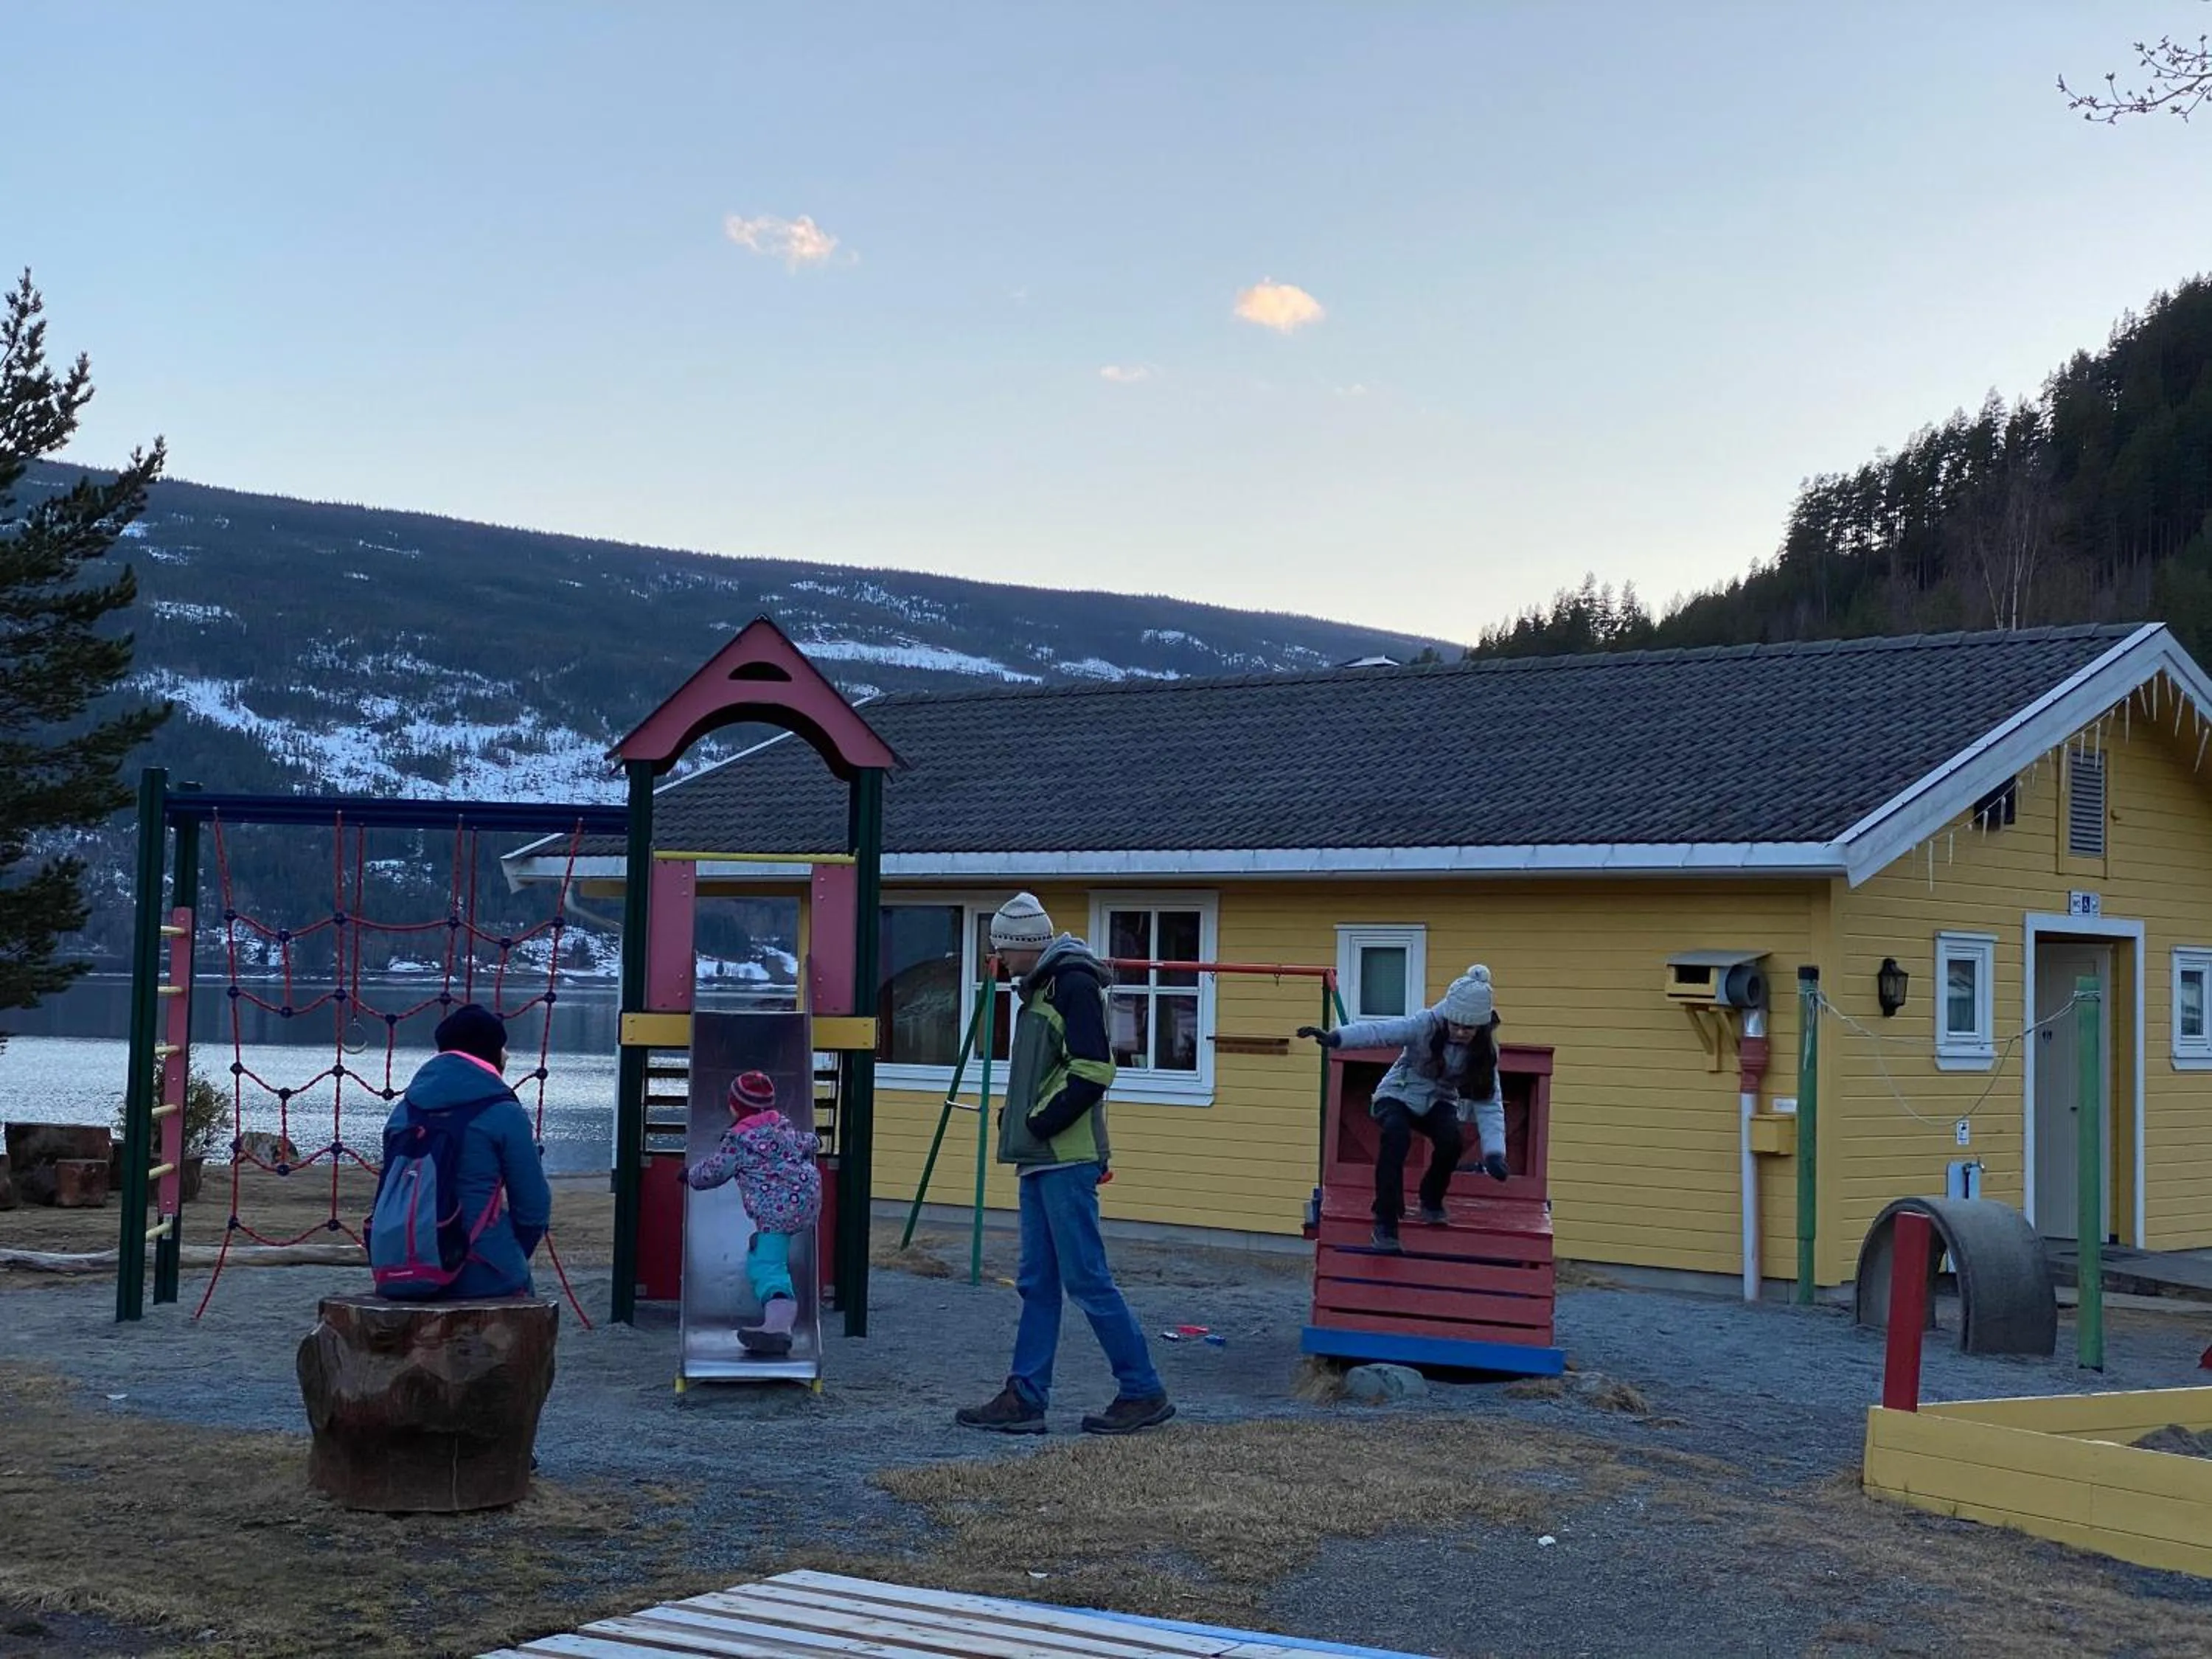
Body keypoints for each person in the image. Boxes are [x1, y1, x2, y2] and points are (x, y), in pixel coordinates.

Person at [956, 892, 1174, 1437]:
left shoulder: (1070, 985)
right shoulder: (1043, 988)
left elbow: (1094, 1068)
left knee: (1086, 1279)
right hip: (1042, 1159)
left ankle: (1142, 1389)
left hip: (1063, 1158)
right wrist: (1029, 1117)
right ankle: (1026, 1396)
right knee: (1038, 1282)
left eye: (1004, 947)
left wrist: (1040, 1120)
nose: (1000, 957)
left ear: (1026, 945)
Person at [1298, 965, 1510, 1251]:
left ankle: (1431, 1199)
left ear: (1481, 1027)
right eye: (1455, 1024)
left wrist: (1495, 1152)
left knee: (1451, 1142)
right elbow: (1382, 1032)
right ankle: (1385, 1224)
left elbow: (1489, 1102)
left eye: (1468, 1028)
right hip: (1399, 1090)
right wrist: (1337, 1038)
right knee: (1396, 1137)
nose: (1460, 1032)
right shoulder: (1426, 1024)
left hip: (1439, 1099)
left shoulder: (1485, 1053)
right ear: (1447, 1016)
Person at [372, 1002, 552, 1298]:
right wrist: (509, 1250)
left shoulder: (404, 1110)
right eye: (502, 1047)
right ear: (489, 1053)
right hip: (485, 1269)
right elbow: (533, 1207)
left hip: (399, 1269)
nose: (507, 1054)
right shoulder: (503, 1111)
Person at [685, 1068, 822, 1355]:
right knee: (765, 1250)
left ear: (734, 1106)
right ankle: (774, 1318)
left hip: (777, 1211)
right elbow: (809, 1142)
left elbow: (715, 1171)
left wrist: (689, 1176)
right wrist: (813, 1144)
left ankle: (778, 1329)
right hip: (806, 1202)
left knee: (768, 1269)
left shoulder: (739, 1141)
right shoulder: (784, 1128)